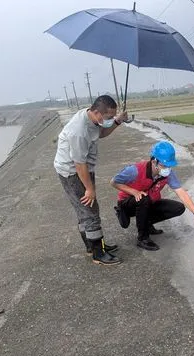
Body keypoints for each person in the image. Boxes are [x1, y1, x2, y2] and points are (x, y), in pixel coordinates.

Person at [54, 95, 128, 265]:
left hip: (82, 168)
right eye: (109, 117)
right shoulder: (78, 131)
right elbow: (79, 164)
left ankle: (92, 246)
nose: (110, 119)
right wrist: (89, 188)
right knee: (90, 210)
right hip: (73, 172)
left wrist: (117, 121)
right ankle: (98, 253)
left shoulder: (92, 119)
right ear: (96, 112)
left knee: (83, 209)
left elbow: (101, 133)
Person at [111, 141, 194, 251]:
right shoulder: (134, 170)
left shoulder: (167, 173)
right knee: (143, 199)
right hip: (128, 202)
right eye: (164, 165)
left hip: (148, 201)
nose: (167, 168)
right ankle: (142, 238)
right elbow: (114, 182)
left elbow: (181, 192)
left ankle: (146, 224)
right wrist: (134, 192)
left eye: (169, 165)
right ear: (154, 161)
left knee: (178, 208)